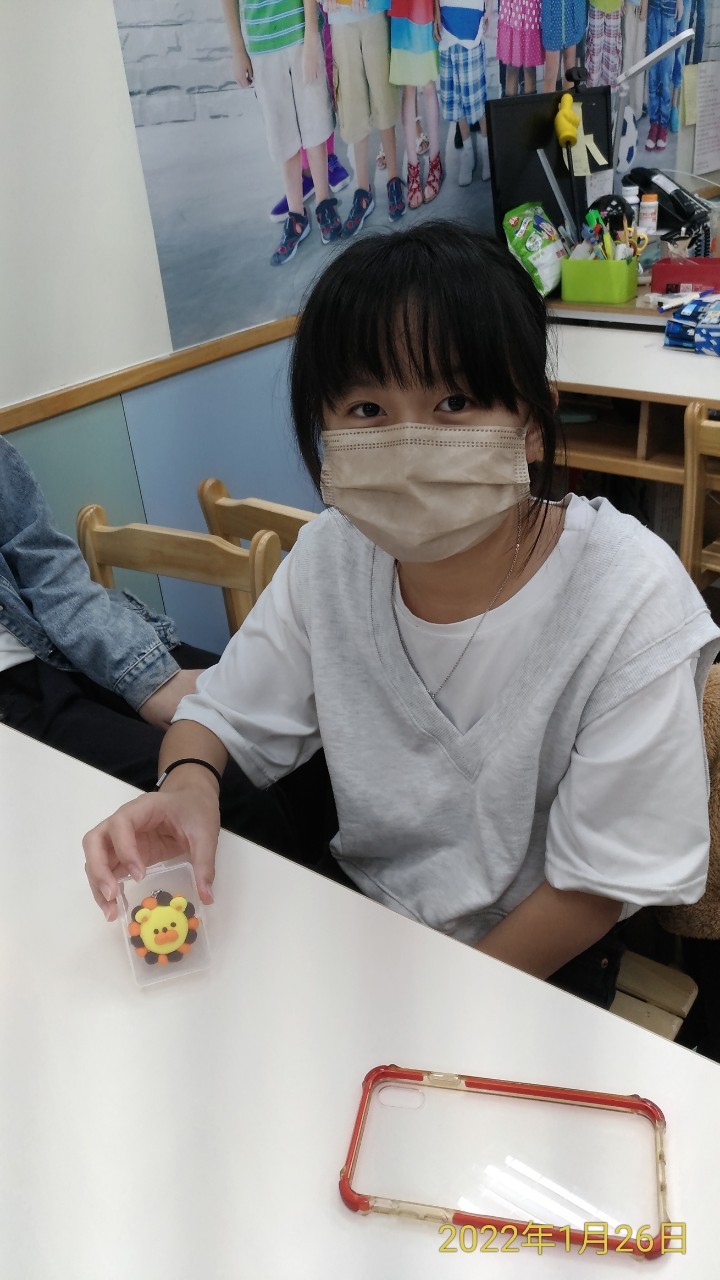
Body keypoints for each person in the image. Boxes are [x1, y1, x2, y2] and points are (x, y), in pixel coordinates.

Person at [84, 223, 719, 1009]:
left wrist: (437, 1007)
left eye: (455, 401)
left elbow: (593, 888)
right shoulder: (333, 558)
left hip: (538, 964)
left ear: (532, 424)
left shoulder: (630, 597)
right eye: (366, 407)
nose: (410, 440)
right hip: (365, 921)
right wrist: (186, 786)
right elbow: (216, 716)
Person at [0, 434, 333, 864]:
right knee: (232, 792)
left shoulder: (325, 543)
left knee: (297, 744)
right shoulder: (321, 548)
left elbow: (47, 566)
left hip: (63, 642)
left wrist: (147, 677)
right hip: (22, 699)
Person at [221, 0, 342, 264]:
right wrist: (238, 50)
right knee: (281, 133)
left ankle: (324, 203)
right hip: (262, 46)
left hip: (300, 34)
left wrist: (311, 38)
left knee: (315, 123)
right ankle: (296, 215)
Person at [323, 0, 406, 234]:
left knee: (383, 95)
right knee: (352, 104)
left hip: (374, 12)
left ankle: (393, 178)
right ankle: (363, 189)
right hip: (340, 17)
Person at [389, 0, 443, 207]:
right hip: (400, 11)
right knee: (408, 87)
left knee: (428, 85)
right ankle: (412, 168)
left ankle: (435, 162)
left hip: (424, 8)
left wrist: (437, 10)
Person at [434, 0, 493, 186]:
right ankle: (467, 153)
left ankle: (486, 150)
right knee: (456, 99)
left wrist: (489, 10)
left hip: (471, 30)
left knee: (477, 98)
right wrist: (436, 13)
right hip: (447, 30)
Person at [496, 0, 543, 98]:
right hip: (511, 9)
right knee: (511, 65)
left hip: (530, 10)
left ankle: (529, 105)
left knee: (529, 65)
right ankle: (510, 105)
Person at [541, 0, 586, 90]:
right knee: (550, 73)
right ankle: (549, 99)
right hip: (552, 16)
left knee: (570, 67)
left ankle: (568, 98)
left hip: (571, 13)